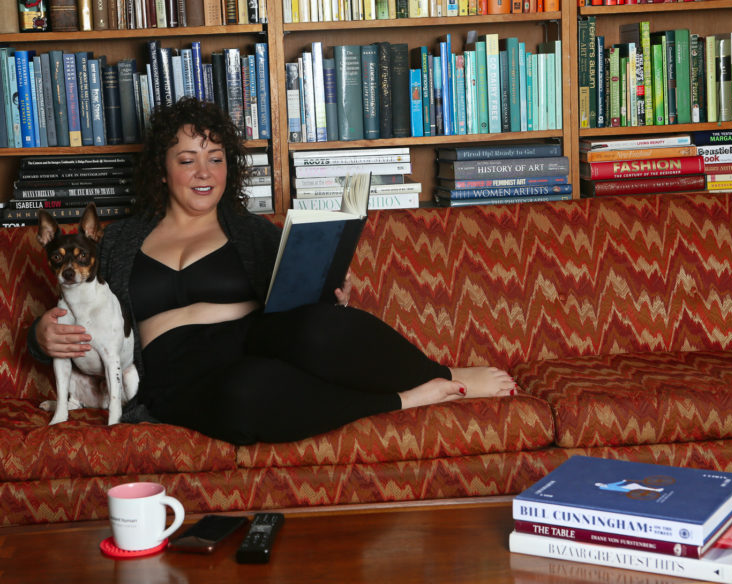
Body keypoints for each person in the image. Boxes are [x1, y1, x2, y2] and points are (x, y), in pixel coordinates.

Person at [27, 98, 516, 445]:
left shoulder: (253, 233)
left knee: (323, 327)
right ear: (162, 170)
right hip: (176, 375)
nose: (204, 172)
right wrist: (40, 335)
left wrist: (327, 294)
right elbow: (73, 305)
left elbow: (297, 299)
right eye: (187, 160)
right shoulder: (116, 241)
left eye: (215, 159)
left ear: (229, 167)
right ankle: (406, 399)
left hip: (253, 339)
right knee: (248, 393)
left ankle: (445, 375)